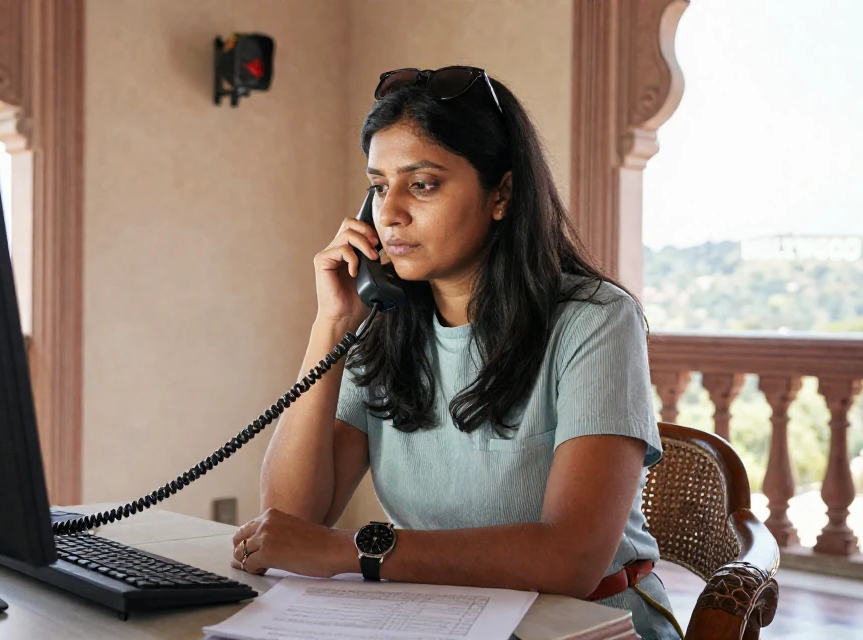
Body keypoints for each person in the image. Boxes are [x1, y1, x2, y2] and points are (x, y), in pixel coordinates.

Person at [230, 66, 681, 639]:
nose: (388, 212)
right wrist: (332, 323)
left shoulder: (594, 320)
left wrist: (356, 552)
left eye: (421, 184)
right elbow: (291, 522)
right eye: (377, 185)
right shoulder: (382, 325)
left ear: (502, 193)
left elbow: (571, 558)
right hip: (438, 621)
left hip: (590, 623)